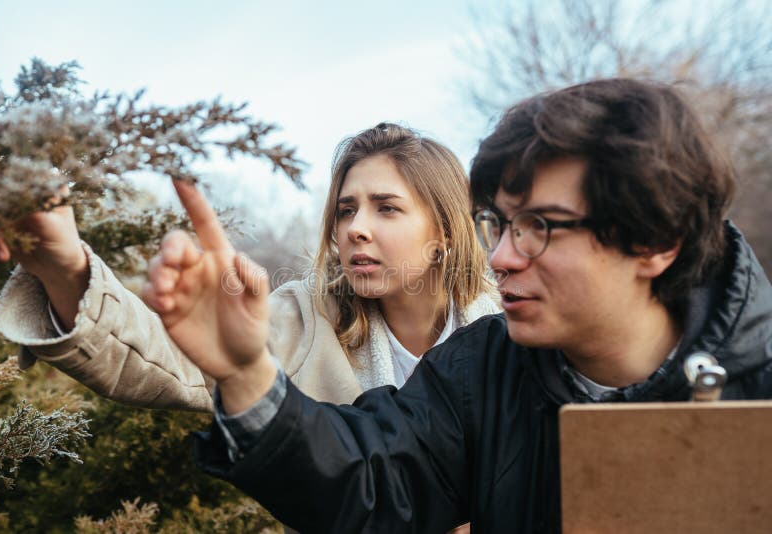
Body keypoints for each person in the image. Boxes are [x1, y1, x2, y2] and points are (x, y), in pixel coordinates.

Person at [140, 78, 771, 532]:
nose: (500, 259)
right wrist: (247, 374)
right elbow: (368, 482)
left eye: (541, 227)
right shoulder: (482, 371)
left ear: (654, 242)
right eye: (501, 223)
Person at [0, 123, 499, 411]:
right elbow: (173, 361)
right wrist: (65, 268)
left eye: (386, 207)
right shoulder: (305, 320)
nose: (355, 229)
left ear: (445, 235)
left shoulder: (511, 331)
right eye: (346, 209)